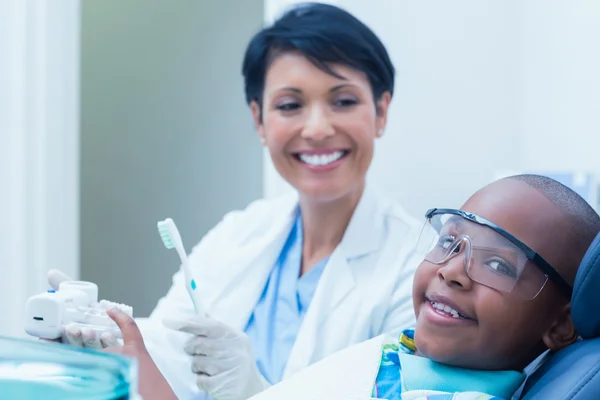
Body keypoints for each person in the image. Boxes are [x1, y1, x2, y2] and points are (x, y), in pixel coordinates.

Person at [44, 3, 423, 399]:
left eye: (343, 101)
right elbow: (161, 361)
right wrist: (111, 339)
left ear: (381, 110)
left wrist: (256, 392)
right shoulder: (238, 235)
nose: (316, 128)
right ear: (259, 120)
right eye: (290, 105)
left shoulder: (414, 269)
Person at [246, 174, 600, 400]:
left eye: (498, 265)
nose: (451, 271)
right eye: (449, 242)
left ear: (559, 325)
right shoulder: (405, 352)